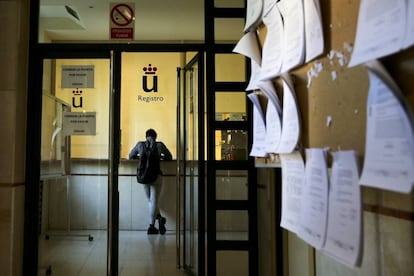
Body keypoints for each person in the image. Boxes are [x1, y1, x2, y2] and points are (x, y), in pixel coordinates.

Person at [129, 128, 173, 234]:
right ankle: (153, 225)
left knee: (151, 201)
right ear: (156, 137)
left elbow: (130, 156)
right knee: (153, 201)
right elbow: (169, 157)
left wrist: (139, 157)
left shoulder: (140, 144)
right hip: (156, 176)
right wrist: (160, 157)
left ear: (146, 136)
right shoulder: (159, 145)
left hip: (144, 176)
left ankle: (156, 222)